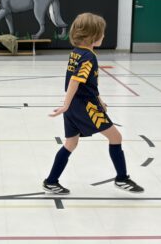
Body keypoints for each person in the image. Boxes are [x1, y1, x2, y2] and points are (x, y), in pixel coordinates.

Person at [43, 13, 144, 195]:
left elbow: (85, 83)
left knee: (70, 143)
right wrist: (66, 105)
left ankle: (51, 181)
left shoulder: (76, 53)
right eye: (102, 33)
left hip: (76, 106)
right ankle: (122, 178)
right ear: (92, 36)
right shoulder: (89, 57)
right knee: (116, 138)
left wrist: (99, 100)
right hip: (85, 107)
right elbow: (75, 80)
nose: (104, 36)